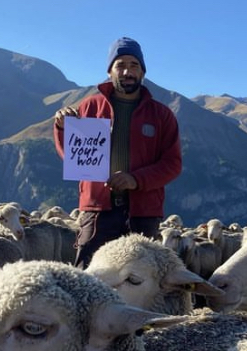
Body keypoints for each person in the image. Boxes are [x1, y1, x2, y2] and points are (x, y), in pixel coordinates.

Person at [53, 37, 182, 269]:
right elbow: (73, 155)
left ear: (142, 71)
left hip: (144, 211)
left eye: (134, 65)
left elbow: (172, 164)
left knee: (142, 278)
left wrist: (136, 180)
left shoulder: (161, 115)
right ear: (110, 70)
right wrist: (63, 127)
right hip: (97, 208)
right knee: (88, 273)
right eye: (120, 65)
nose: (127, 71)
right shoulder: (89, 107)